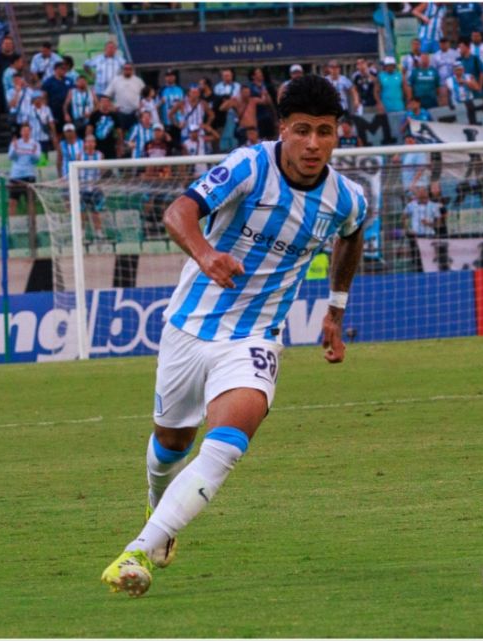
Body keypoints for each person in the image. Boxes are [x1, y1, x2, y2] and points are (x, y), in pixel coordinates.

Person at [99, 74, 368, 597]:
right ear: (283, 129)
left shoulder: (346, 198)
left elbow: (352, 236)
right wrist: (206, 255)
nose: (314, 144)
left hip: (255, 339)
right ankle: (158, 507)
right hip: (189, 327)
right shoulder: (248, 166)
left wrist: (335, 309)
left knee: (227, 443)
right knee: (171, 442)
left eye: (325, 132)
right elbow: (178, 212)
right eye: (303, 130)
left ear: (338, 134)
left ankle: (138, 550)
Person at [7, 123, 41, 216]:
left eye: (27, 131)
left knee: (30, 202)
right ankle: (12, 222)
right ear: (21, 132)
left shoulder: (35, 144)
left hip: (29, 175)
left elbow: (36, 160)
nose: (26, 133)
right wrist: (15, 149)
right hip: (16, 175)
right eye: (24, 131)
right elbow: (11, 157)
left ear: (30, 132)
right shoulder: (15, 143)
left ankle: (32, 222)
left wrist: (33, 153)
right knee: (12, 202)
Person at [107, 62, 145, 133]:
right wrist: (112, 106)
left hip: (135, 113)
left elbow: (145, 95)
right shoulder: (116, 80)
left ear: (132, 70)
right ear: (122, 70)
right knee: (121, 134)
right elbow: (107, 95)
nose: (127, 70)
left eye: (129, 69)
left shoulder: (138, 81)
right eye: (125, 69)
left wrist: (141, 105)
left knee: (134, 133)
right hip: (120, 113)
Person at [87, 93, 120, 160]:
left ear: (109, 103)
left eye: (106, 101)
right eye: (103, 101)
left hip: (110, 146)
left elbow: (118, 131)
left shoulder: (114, 116)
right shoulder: (94, 115)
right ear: (100, 103)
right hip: (97, 146)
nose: (105, 103)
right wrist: (89, 144)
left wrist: (119, 145)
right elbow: (89, 130)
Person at [42, 61, 73, 130]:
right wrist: (45, 110)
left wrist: (65, 109)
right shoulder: (49, 82)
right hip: (54, 109)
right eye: (62, 68)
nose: (64, 71)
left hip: (67, 109)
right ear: (56, 69)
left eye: (65, 69)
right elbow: (44, 97)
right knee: (57, 129)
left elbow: (71, 94)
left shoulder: (69, 80)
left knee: (68, 129)